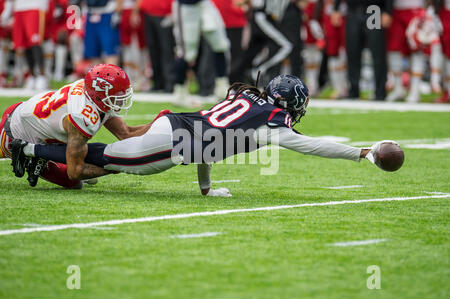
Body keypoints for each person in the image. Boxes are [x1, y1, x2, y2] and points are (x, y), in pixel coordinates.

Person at [11, 75, 386, 197]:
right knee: (105, 160)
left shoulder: (247, 98)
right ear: (291, 103)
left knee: (110, 159)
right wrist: (361, 153)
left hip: (173, 127)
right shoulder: (270, 125)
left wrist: (206, 188)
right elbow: (312, 146)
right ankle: (26, 147)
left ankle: (38, 151)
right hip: (169, 145)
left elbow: (211, 143)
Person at [1, 64, 151, 189]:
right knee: (74, 182)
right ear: (99, 96)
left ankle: (38, 155)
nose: (120, 101)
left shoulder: (92, 94)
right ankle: (29, 153)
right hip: (14, 133)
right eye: (116, 96)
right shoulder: (81, 116)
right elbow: (75, 171)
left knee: (86, 168)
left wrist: (161, 122)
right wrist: (116, 166)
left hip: (33, 121)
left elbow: (126, 133)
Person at [172, 0, 230, 106]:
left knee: (221, 45)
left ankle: (222, 89)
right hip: (186, 5)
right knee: (186, 53)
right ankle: (180, 94)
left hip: (204, 4)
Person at [332, 0, 391, 100]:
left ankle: (380, 93)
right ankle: (353, 91)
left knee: (378, 53)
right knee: (352, 52)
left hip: (374, 12)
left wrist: (388, 11)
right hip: (353, 11)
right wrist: (336, 8)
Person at [2, 0, 49, 90]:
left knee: (35, 41)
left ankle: (42, 76)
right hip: (19, 7)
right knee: (24, 43)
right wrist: (8, 9)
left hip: (35, 5)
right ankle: (32, 76)